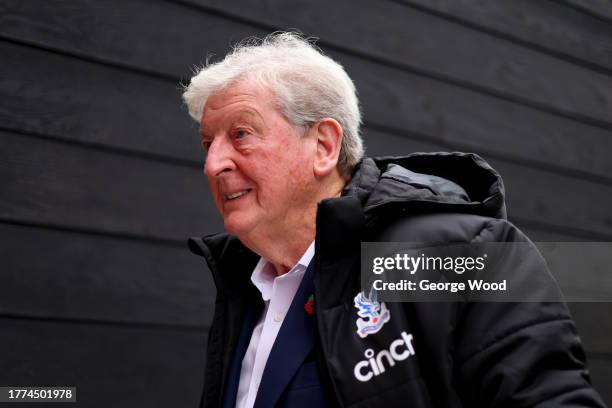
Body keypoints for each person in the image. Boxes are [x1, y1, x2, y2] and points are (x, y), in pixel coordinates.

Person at [182, 32, 605, 408]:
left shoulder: (460, 254)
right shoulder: (243, 286)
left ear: (324, 146)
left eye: (240, 134)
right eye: (208, 142)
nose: (213, 163)